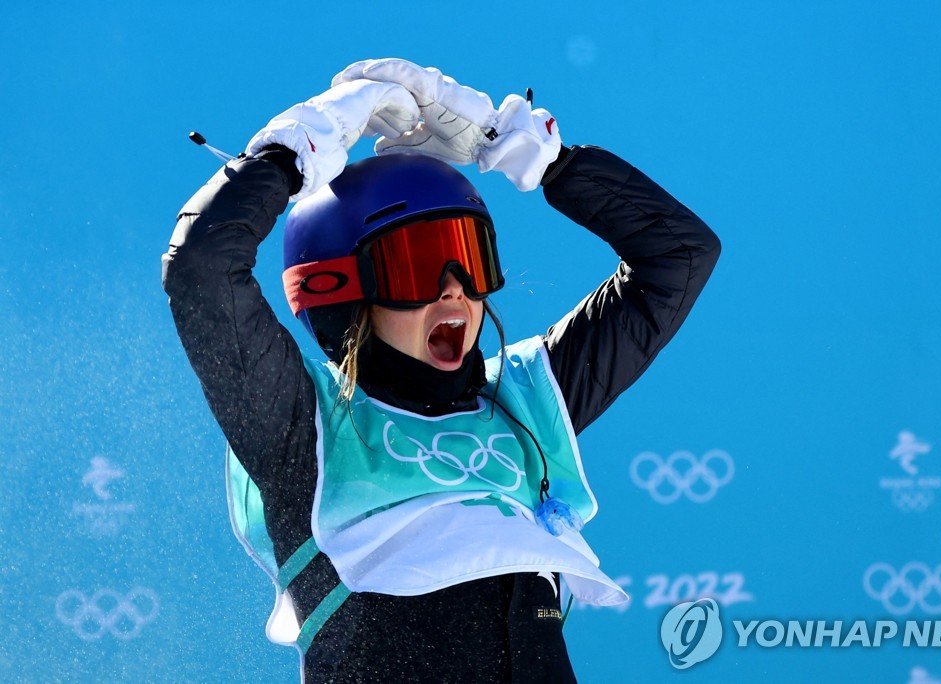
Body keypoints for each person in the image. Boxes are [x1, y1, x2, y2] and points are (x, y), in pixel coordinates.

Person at [163, 58, 720, 683]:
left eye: (469, 260)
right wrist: (285, 157)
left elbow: (679, 255)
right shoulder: (303, 428)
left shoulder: (526, 401)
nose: (455, 292)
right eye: (416, 266)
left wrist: (536, 155)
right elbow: (200, 268)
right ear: (340, 293)